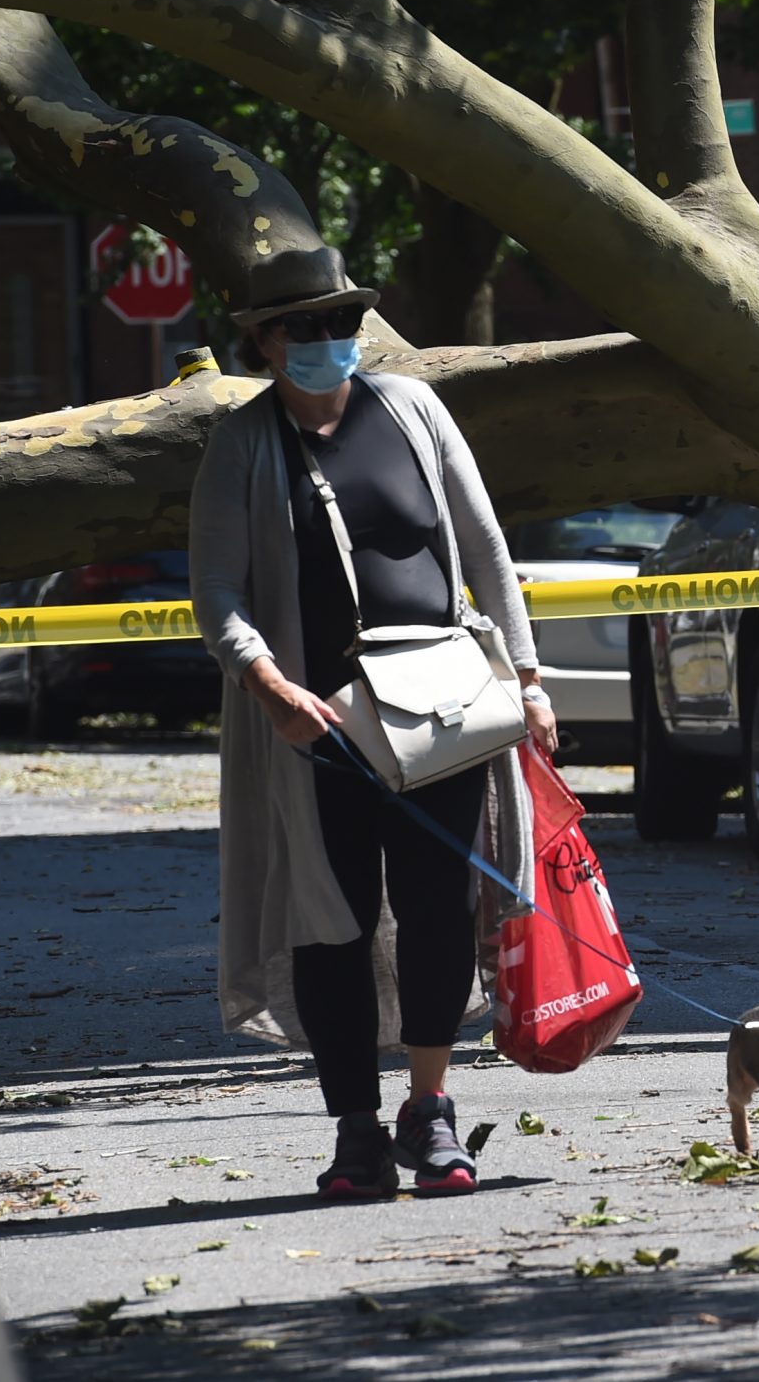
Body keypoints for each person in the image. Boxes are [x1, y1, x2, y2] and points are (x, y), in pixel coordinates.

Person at [189, 247, 556, 1199]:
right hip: (319, 726)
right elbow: (218, 592)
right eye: (306, 326)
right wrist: (268, 684)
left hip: (441, 710)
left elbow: (485, 546)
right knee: (333, 922)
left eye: (342, 322)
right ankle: (356, 1127)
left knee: (439, 907)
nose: (329, 340)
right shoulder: (242, 444)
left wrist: (527, 677)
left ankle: (429, 1110)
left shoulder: (414, 409)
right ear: (266, 341)